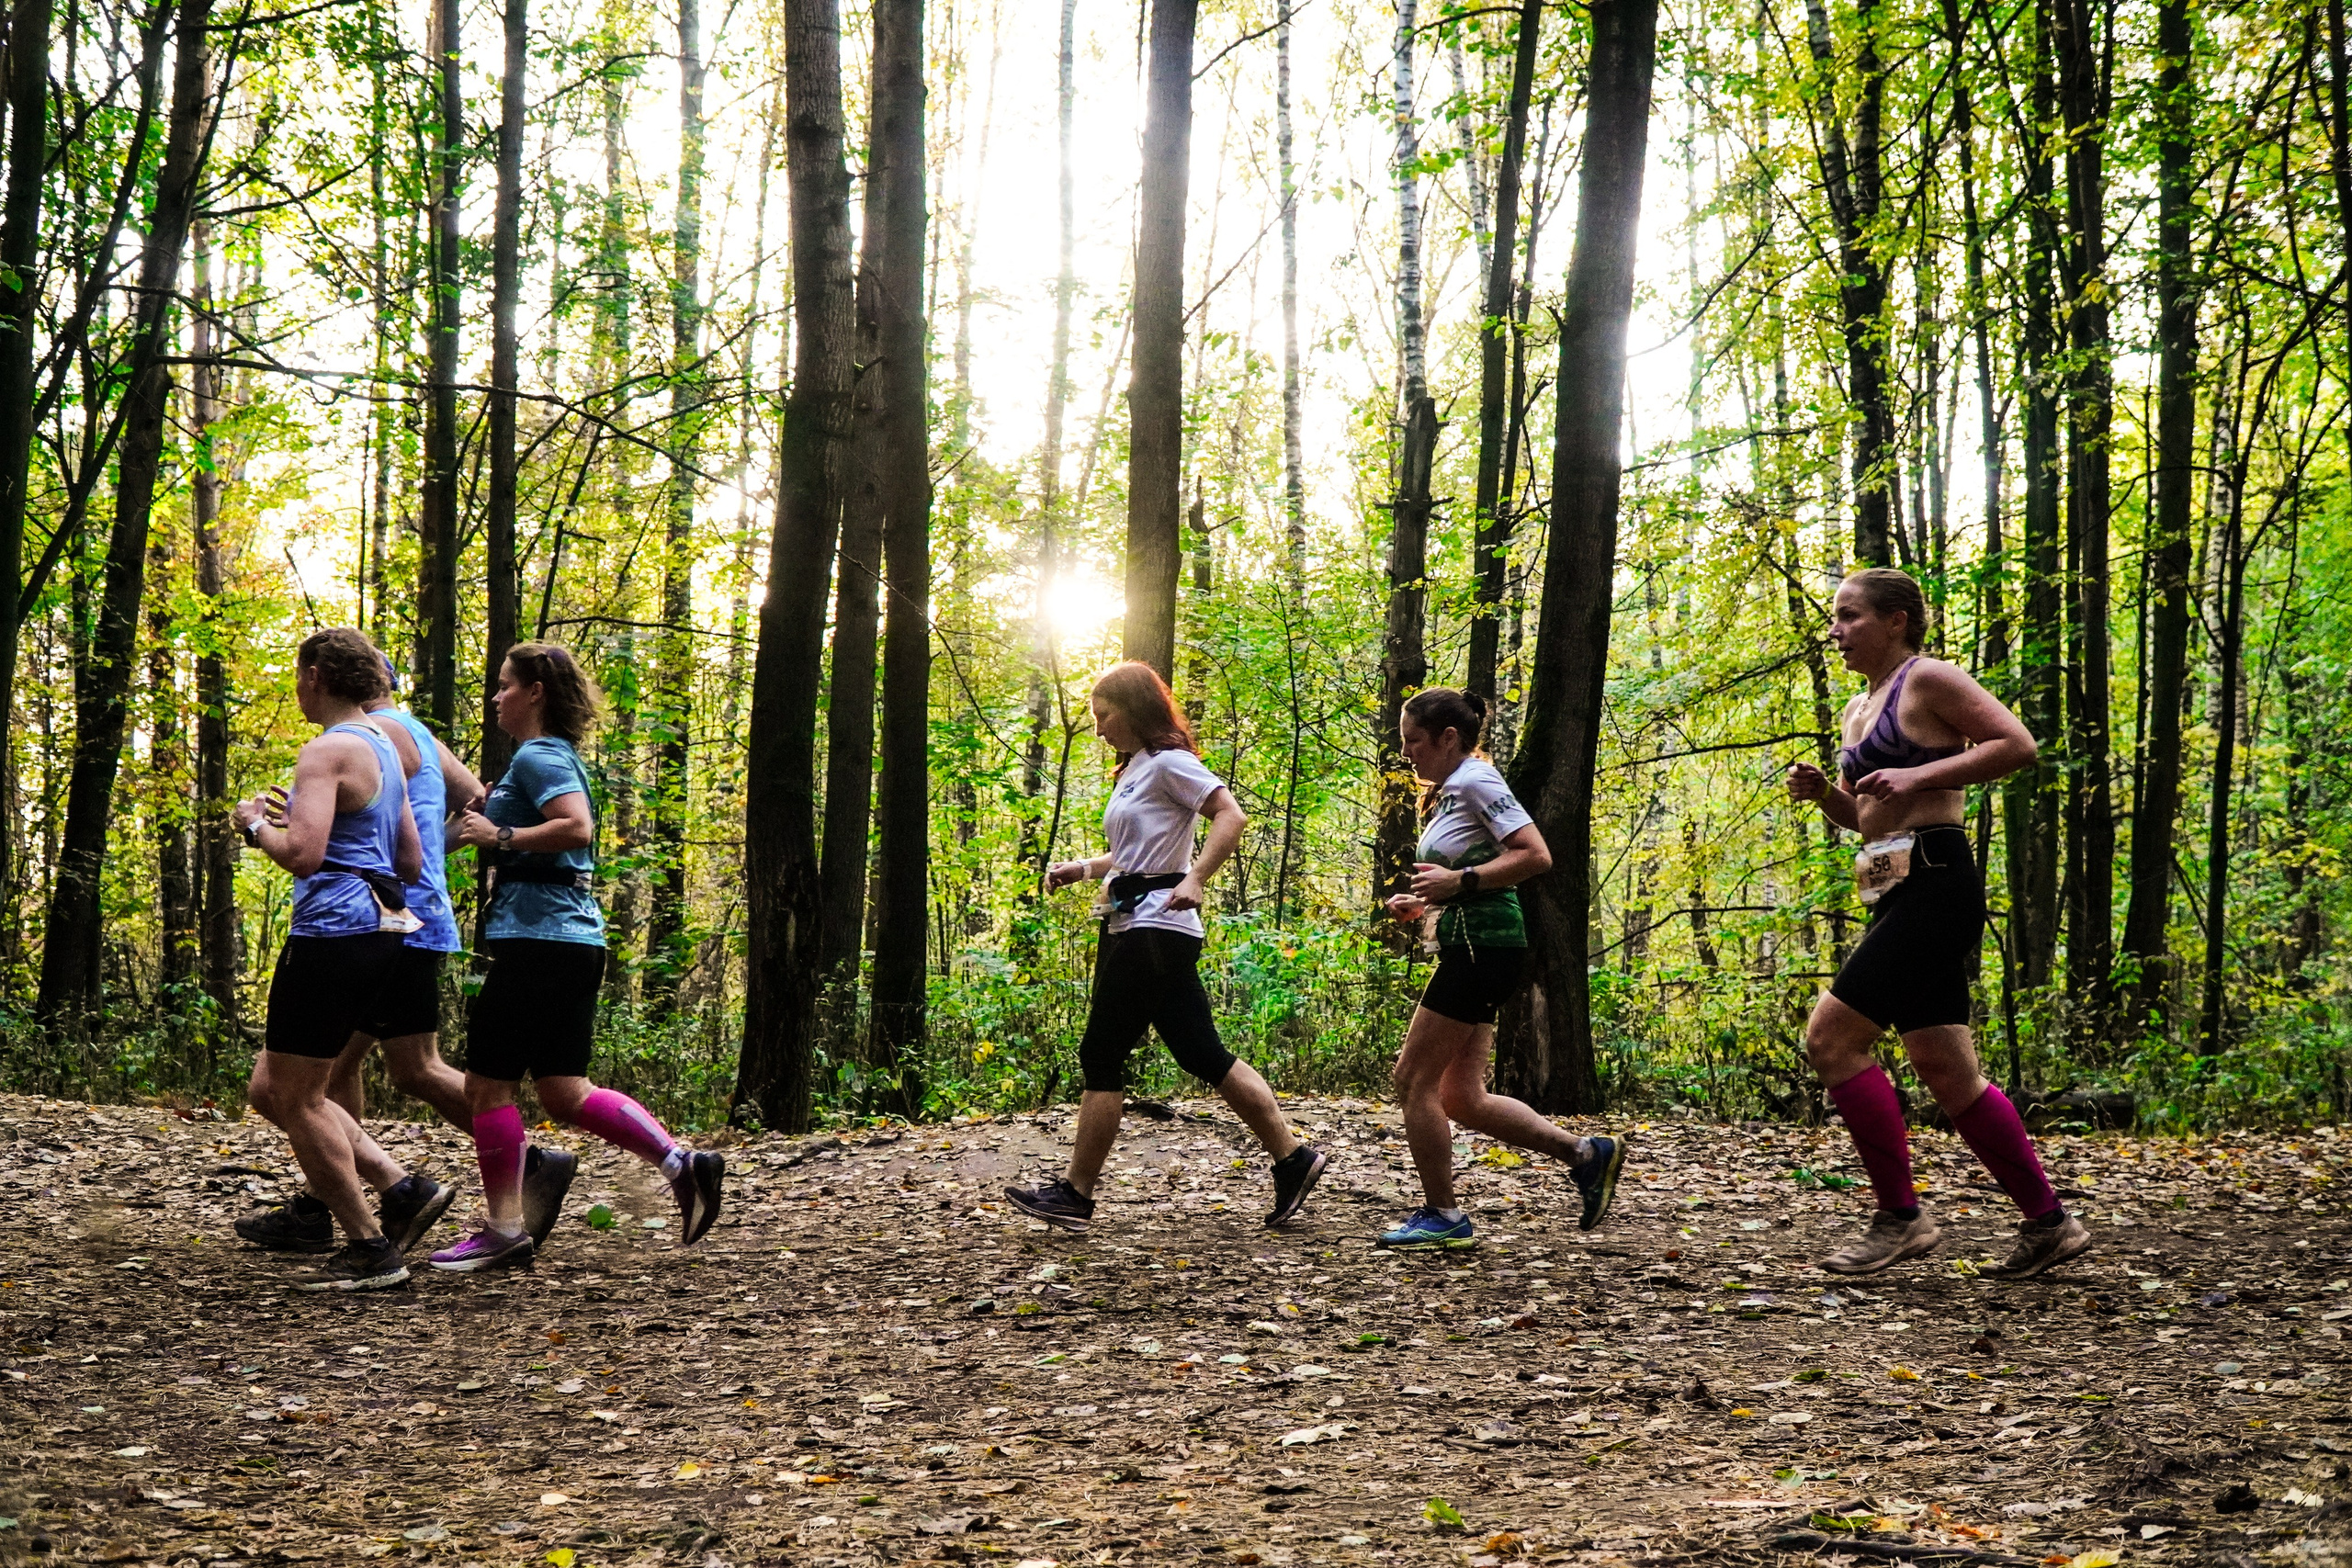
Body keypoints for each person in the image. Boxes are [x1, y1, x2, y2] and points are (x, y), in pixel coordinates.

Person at [1788, 567, 2092, 1278]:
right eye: (1835, 618)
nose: (1835, 630)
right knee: (1948, 1073)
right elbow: (1866, 819)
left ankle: (1901, 1216)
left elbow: (2017, 744)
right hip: (1894, 881)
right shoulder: (1860, 708)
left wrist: (1920, 776)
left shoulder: (1929, 678)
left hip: (1937, 879)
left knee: (1830, 1038)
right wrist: (1823, 796)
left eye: (1849, 616)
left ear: (1896, 619)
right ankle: (2051, 1224)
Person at [233, 671, 581, 1256]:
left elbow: (396, 830)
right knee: (395, 1069)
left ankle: (393, 1194)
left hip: (380, 920)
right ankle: (354, 1198)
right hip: (414, 916)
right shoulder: (416, 732)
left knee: (298, 1086)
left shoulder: (371, 737)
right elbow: (482, 799)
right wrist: (453, 842)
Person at [426, 640, 724, 1272]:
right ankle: (681, 1163)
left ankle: (504, 1228)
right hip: (570, 944)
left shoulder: (539, 754)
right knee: (563, 1091)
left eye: (506, 685)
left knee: (485, 1086)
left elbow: (576, 827)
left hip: (541, 943)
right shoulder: (536, 761)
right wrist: (476, 820)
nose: (496, 696)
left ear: (535, 691)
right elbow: (463, 836)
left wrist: (500, 833)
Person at [1005, 661, 1326, 1232]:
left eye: (1104, 716)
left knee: (1101, 1054)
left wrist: (1197, 877)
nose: (1098, 728)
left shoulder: (1172, 763)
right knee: (1202, 1053)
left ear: (1134, 709)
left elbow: (1231, 815)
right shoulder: (1136, 769)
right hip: (1137, 925)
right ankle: (1293, 1159)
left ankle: (1076, 1194)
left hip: (1157, 928)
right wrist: (1082, 868)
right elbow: (1137, 851)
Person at [1377, 687, 1625, 1250]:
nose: (1407, 753)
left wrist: (1458, 883)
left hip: (1482, 949)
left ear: (1448, 738)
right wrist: (1426, 902)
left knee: (1413, 1081)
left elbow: (1535, 854)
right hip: (1476, 941)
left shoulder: (1476, 781)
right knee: (1463, 1096)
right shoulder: (1450, 791)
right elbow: (1472, 874)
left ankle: (1442, 1213)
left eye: (1413, 742)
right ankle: (1586, 1154)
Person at [235, 627, 429, 1291]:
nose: (296, 687)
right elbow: (410, 859)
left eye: (297, 674)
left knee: (296, 1096)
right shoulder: (386, 748)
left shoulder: (324, 752)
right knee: (275, 1087)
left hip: (331, 933)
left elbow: (302, 855)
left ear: (316, 675)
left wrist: (255, 824)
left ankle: (370, 1246)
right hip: (382, 933)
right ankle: (399, 1187)